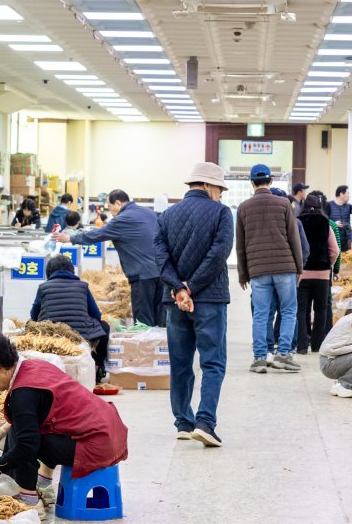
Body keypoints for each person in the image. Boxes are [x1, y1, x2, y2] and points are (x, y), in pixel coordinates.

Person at [0, 329, 127, 510]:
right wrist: (0, 431)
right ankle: (42, 485)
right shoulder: (34, 367)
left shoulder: (22, 393)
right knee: (23, 428)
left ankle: (29, 500)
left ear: (0, 367)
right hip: (109, 432)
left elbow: (26, 447)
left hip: (96, 444)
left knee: (22, 437)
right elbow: (34, 413)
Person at [156, 162, 235, 448]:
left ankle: (183, 422)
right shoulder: (221, 213)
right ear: (208, 185)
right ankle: (205, 423)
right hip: (210, 299)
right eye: (219, 189)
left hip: (175, 302)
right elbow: (219, 255)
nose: (220, 195)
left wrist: (179, 288)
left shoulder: (166, 216)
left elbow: (160, 259)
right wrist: (192, 286)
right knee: (213, 362)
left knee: (180, 362)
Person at [236, 162, 303, 374]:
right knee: (289, 310)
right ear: (271, 181)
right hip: (285, 266)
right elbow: (294, 239)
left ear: (251, 183)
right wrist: (299, 268)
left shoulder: (244, 208)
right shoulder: (284, 204)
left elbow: (240, 245)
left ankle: (259, 358)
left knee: (261, 314)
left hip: (258, 270)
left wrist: (242, 274)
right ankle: (283, 355)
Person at [64, 189, 166, 326]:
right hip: (162, 271)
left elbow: (96, 235)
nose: (110, 211)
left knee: (144, 322)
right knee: (160, 318)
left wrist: (70, 238)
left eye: (110, 207)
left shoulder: (122, 219)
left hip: (143, 276)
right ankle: (160, 347)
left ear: (118, 203)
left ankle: (145, 347)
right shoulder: (148, 212)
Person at [30, 254, 110, 384]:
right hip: (81, 334)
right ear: (71, 270)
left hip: (50, 335)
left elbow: (34, 315)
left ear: (49, 272)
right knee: (104, 327)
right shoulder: (82, 286)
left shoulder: (43, 287)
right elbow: (96, 314)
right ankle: (95, 369)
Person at [295, 192, 340, 354]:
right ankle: (317, 345)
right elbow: (335, 250)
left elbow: (294, 246)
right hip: (322, 274)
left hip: (302, 273)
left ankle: (301, 345)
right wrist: (329, 264)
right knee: (321, 309)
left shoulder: (297, 222)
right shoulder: (325, 223)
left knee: (301, 309)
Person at [326, 186, 352, 250]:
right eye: (347, 193)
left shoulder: (348, 206)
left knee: (346, 258)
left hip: (346, 239)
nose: (349, 196)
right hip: (333, 238)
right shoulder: (328, 205)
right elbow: (324, 221)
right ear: (341, 194)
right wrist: (333, 224)